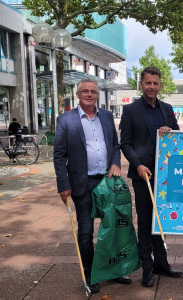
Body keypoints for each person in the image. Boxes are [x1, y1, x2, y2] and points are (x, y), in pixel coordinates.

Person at [53, 79, 131, 294]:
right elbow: (59, 155)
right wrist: (63, 184)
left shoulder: (106, 116)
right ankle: (90, 274)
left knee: (112, 228)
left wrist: (116, 162)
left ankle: (113, 270)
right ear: (78, 94)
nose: (89, 94)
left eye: (93, 91)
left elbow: (115, 144)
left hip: (107, 181)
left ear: (98, 95)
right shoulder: (66, 120)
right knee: (86, 231)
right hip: (82, 183)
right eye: (85, 91)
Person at [120, 66, 183, 287]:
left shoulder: (167, 108)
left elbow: (177, 137)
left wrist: (174, 132)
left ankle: (161, 264)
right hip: (142, 175)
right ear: (141, 84)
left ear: (160, 85)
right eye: (148, 83)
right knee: (146, 223)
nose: (152, 87)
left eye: (156, 83)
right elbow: (125, 143)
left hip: (166, 175)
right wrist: (137, 165)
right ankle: (147, 268)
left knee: (161, 221)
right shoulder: (130, 110)